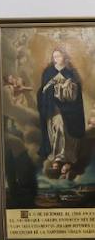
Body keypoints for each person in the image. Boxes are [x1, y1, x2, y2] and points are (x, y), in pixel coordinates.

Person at [37, 47, 87, 180]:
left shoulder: (71, 72)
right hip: (54, 108)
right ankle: (57, 158)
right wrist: (52, 87)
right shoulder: (49, 72)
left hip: (70, 110)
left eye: (59, 56)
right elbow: (42, 90)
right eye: (54, 57)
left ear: (64, 57)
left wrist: (69, 87)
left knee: (68, 131)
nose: (56, 59)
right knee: (58, 128)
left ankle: (68, 159)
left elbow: (77, 93)